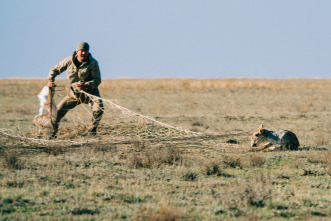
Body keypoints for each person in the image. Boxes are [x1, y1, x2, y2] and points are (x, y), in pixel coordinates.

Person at [47, 42, 104, 139]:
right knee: (56, 113)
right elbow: (54, 69)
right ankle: (53, 134)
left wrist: (86, 85)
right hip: (74, 94)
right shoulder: (69, 61)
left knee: (99, 107)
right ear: (77, 52)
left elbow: (97, 80)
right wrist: (50, 80)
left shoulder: (93, 63)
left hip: (90, 93)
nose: (83, 53)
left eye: (86, 51)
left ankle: (92, 130)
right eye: (81, 51)